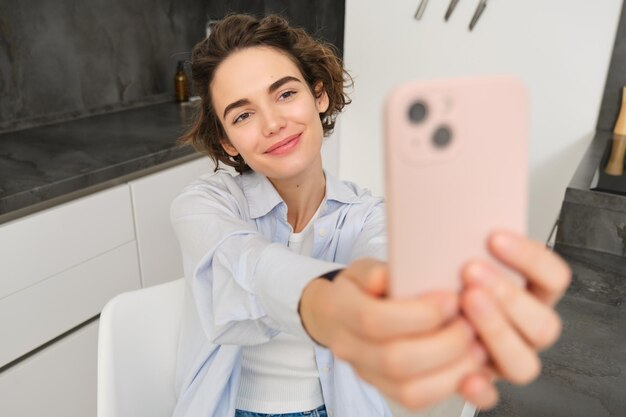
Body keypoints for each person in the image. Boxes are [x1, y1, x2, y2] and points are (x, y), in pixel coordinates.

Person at [170, 13, 571, 417]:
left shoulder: (368, 216)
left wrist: (418, 308)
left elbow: (385, 264)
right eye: (243, 115)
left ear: (319, 95)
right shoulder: (203, 205)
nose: (273, 123)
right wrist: (329, 304)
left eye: (286, 94)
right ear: (228, 141)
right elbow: (248, 263)